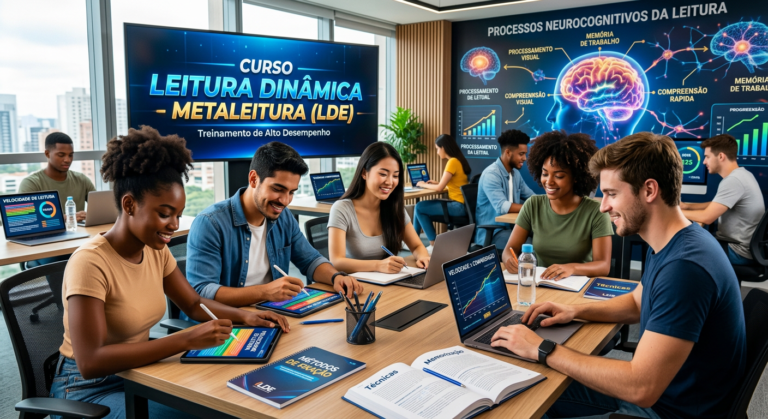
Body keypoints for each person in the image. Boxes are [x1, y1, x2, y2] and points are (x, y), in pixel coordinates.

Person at [491, 132, 746, 419]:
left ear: (649, 190)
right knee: (535, 387)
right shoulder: (673, 241)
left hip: (667, 411)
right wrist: (572, 310)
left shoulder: (685, 268)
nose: (603, 206)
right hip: (665, 397)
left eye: (612, 194)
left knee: (535, 394)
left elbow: (641, 387)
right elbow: (637, 302)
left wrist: (541, 347)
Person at [50, 126, 290, 419]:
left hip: (138, 372)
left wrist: (247, 316)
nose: (175, 225)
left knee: (229, 401)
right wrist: (186, 340)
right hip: (88, 389)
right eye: (165, 214)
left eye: (178, 214)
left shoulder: (155, 249)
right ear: (129, 205)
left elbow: (192, 303)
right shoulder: (90, 262)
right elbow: (91, 361)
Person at [186, 142, 363, 313]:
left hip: (271, 314)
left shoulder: (283, 217)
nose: (285, 201)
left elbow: (310, 260)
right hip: (226, 324)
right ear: (254, 179)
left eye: (291, 192)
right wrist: (264, 292)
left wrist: (336, 277)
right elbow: (201, 292)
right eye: (278, 189)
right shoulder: (210, 223)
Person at [502, 130, 612, 280]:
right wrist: (509, 260)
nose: (549, 182)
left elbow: (603, 266)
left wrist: (571, 268)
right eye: (545, 173)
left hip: (577, 286)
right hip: (541, 284)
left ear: (576, 177)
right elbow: (509, 249)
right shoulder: (533, 205)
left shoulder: (595, 211)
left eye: (559, 176)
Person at [328, 142, 430, 274]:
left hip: (387, 281)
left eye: (395, 175)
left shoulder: (395, 208)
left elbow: (416, 246)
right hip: (354, 284)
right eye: (383, 174)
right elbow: (337, 261)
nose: (389, 182)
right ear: (364, 173)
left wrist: (423, 257)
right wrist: (378, 265)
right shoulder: (342, 209)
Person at [681, 134, 765, 265]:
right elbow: (718, 204)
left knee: (684, 249)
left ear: (721, 156)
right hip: (744, 247)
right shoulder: (743, 175)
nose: (704, 162)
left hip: (738, 251)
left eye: (707, 157)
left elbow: (707, 217)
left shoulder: (734, 181)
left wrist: (671, 212)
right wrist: (687, 206)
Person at [476, 129, 536, 249]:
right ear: (508, 152)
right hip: (494, 232)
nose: (525, 158)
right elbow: (502, 206)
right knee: (532, 246)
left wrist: (549, 203)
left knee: (545, 239)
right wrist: (533, 207)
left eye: (525, 154)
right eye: (521, 154)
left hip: (514, 227)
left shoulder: (515, 174)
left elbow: (532, 197)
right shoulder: (491, 174)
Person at [411, 134, 471, 253]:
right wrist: (435, 182)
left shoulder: (452, 162)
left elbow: (439, 189)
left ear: (443, 147)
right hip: (462, 205)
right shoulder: (459, 160)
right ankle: (413, 241)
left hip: (457, 206)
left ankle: (433, 245)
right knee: (420, 207)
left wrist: (422, 184)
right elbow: (453, 185)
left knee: (419, 207)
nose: (437, 152)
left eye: (437, 149)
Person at [19, 132, 95, 222]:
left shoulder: (82, 180)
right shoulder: (31, 183)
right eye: (61, 155)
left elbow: (99, 209)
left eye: (70, 155)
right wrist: (66, 218)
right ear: (47, 154)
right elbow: (24, 219)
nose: (68, 160)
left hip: (81, 233)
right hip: (47, 235)